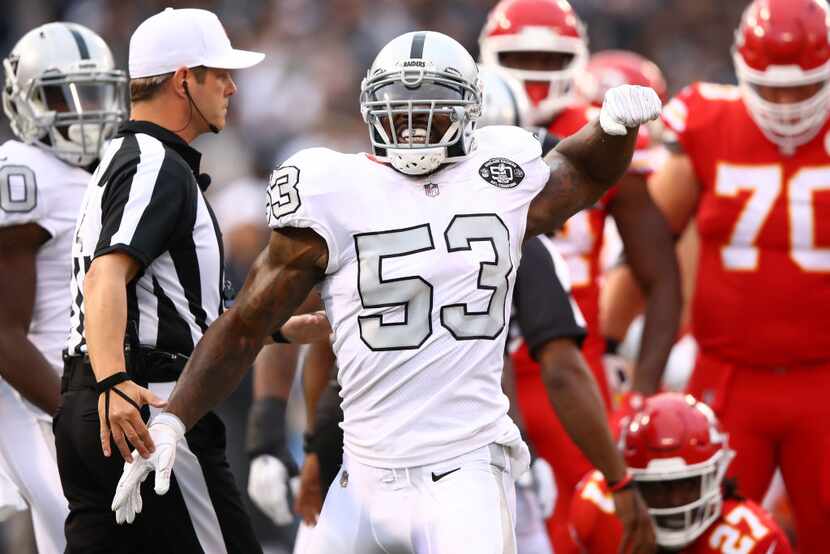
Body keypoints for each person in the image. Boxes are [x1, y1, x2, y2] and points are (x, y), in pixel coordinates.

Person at [111, 30, 661, 554]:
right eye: (399, 106)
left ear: (470, 112)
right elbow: (248, 323)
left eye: (433, 107)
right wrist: (176, 419)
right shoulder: (333, 189)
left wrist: (613, 128)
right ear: (369, 107)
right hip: (361, 473)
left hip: (465, 469)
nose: (414, 125)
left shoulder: (500, 174)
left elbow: (583, 175)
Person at [54, 8, 321, 553]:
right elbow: (107, 274)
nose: (232, 85)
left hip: (98, 402)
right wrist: (113, 382)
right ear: (183, 80)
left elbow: (163, 302)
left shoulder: (125, 159)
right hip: (146, 406)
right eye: (218, 72)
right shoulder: (155, 163)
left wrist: (274, 331)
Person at [479, 1, 682, 548]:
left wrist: (640, 390)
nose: (538, 72)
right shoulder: (463, 132)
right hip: (475, 366)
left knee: (595, 529)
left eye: (551, 56)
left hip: (573, 362)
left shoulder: (604, 135)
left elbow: (659, 273)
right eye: (524, 56)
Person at [646, 0, 830, 551]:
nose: (784, 103)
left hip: (824, 376)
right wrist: (621, 350)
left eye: (802, 88)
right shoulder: (710, 121)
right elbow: (650, 245)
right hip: (728, 376)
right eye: (770, 87)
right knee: (708, 532)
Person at [0, 22, 127, 553]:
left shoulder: (108, 170)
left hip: (92, 398)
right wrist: (71, 414)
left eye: (94, 92)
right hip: (40, 400)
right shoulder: (24, 171)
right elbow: (5, 333)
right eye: (61, 95)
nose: (83, 109)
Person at [568, 393, 792, 553]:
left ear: (716, 476)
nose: (675, 501)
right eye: (658, 487)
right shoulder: (596, 506)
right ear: (631, 480)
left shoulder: (755, 542)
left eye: (688, 484)